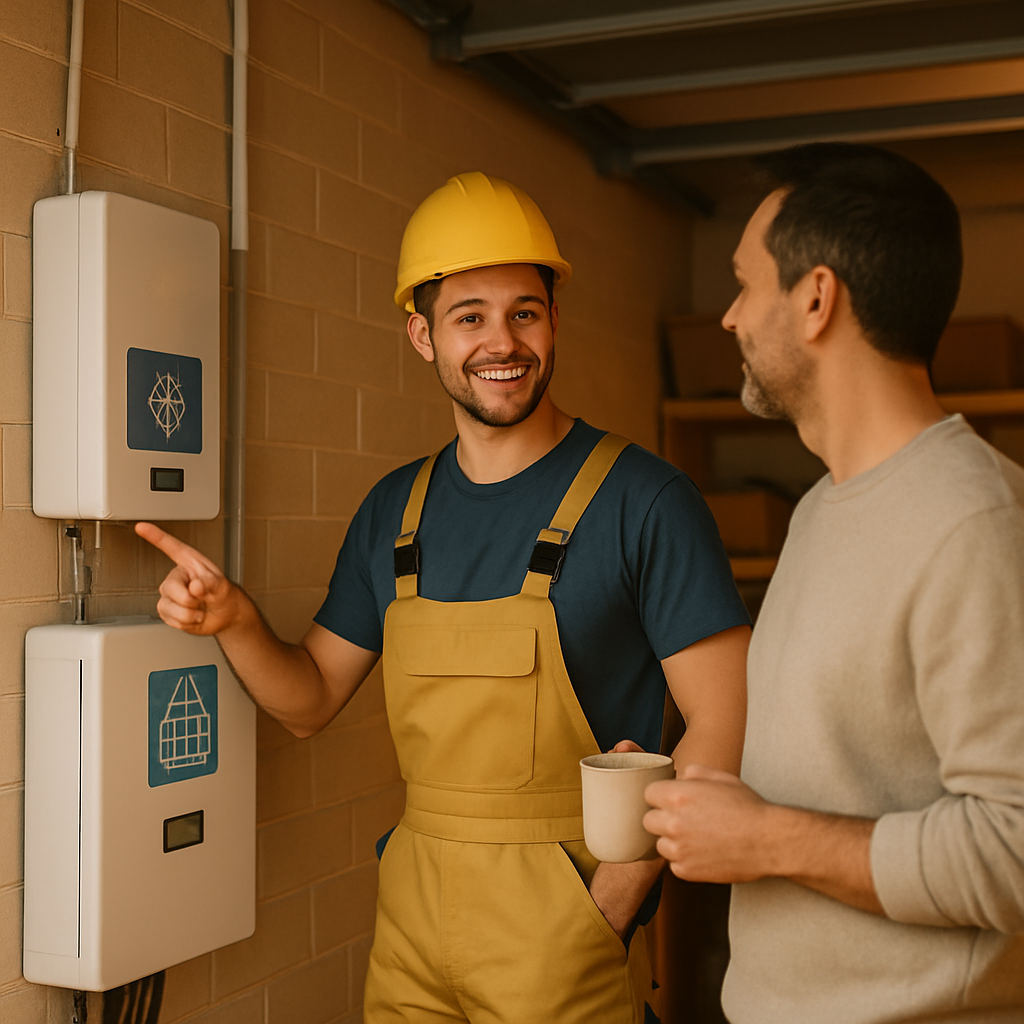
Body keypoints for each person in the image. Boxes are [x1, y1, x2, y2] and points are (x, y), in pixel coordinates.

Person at [136, 171, 751, 1023]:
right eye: (470, 317)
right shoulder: (396, 511)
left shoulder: (644, 501)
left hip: (567, 921)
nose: (504, 340)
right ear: (423, 336)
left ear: (554, 319)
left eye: (524, 312)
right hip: (412, 924)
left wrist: (607, 910)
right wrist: (234, 621)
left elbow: (723, 724)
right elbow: (309, 700)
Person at [643, 142, 1024, 1023]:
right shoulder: (824, 507)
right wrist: (699, 797)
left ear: (815, 299)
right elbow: (838, 767)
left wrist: (764, 840)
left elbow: (1012, 851)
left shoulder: (974, 525)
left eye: (745, 284)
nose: (731, 318)